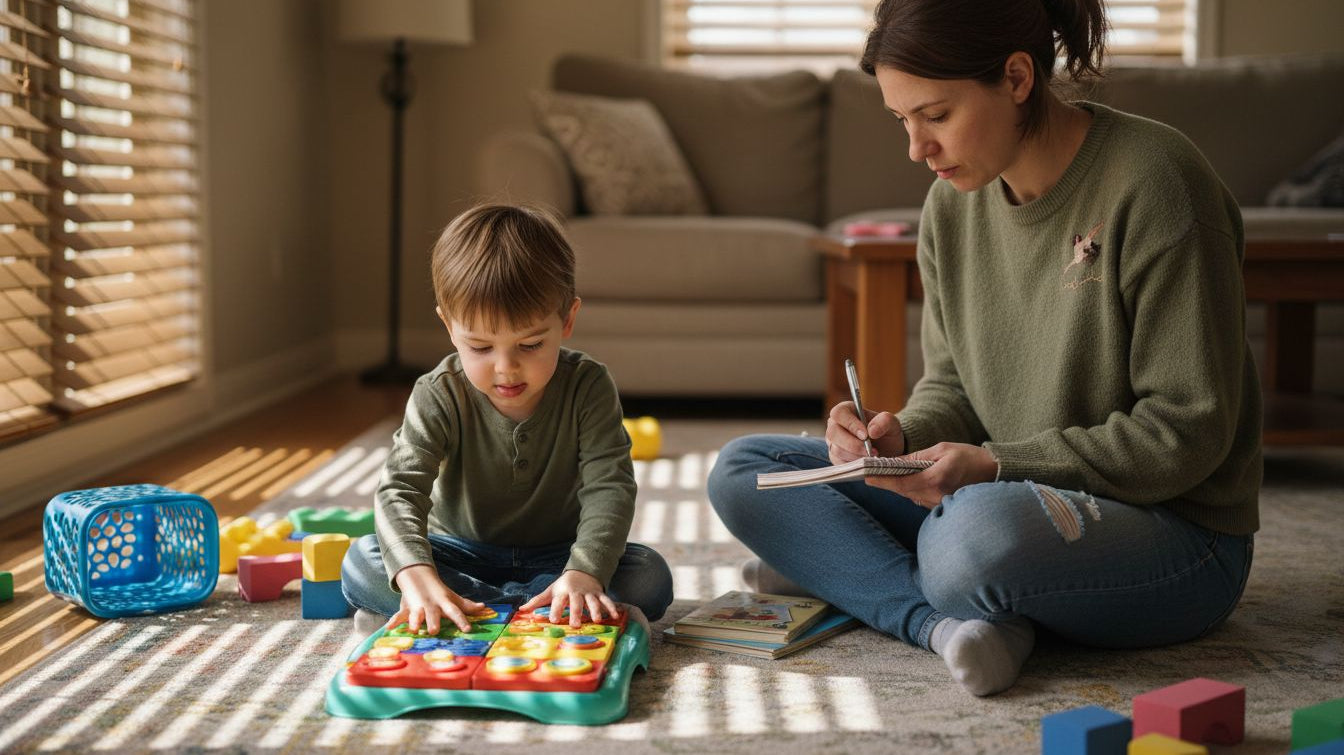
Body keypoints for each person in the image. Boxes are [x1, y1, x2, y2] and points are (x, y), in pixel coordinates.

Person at [708, 0, 1261, 696]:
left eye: (935, 116)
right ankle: (945, 623)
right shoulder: (950, 206)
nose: (917, 149)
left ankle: (852, 572)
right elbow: (956, 386)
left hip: (1175, 534)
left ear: (1018, 77)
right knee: (747, 470)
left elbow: (1189, 430)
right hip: (1006, 499)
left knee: (966, 541)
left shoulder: (1158, 181)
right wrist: (898, 432)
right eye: (901, 121)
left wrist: (999, 465)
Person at [342, 203, 674, 637]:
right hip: (458, 552)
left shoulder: (589, 385)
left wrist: (584, 573)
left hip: (557, 557)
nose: (506, 368)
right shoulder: (438, 392)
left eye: (531, 344)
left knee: (650, 574)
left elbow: (609, 487)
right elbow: (400, 489)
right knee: (361, 561)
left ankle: (467, 611)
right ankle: (510, 608)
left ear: (567, 319)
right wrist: (416, 574)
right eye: (480, 348)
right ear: (448, 326)